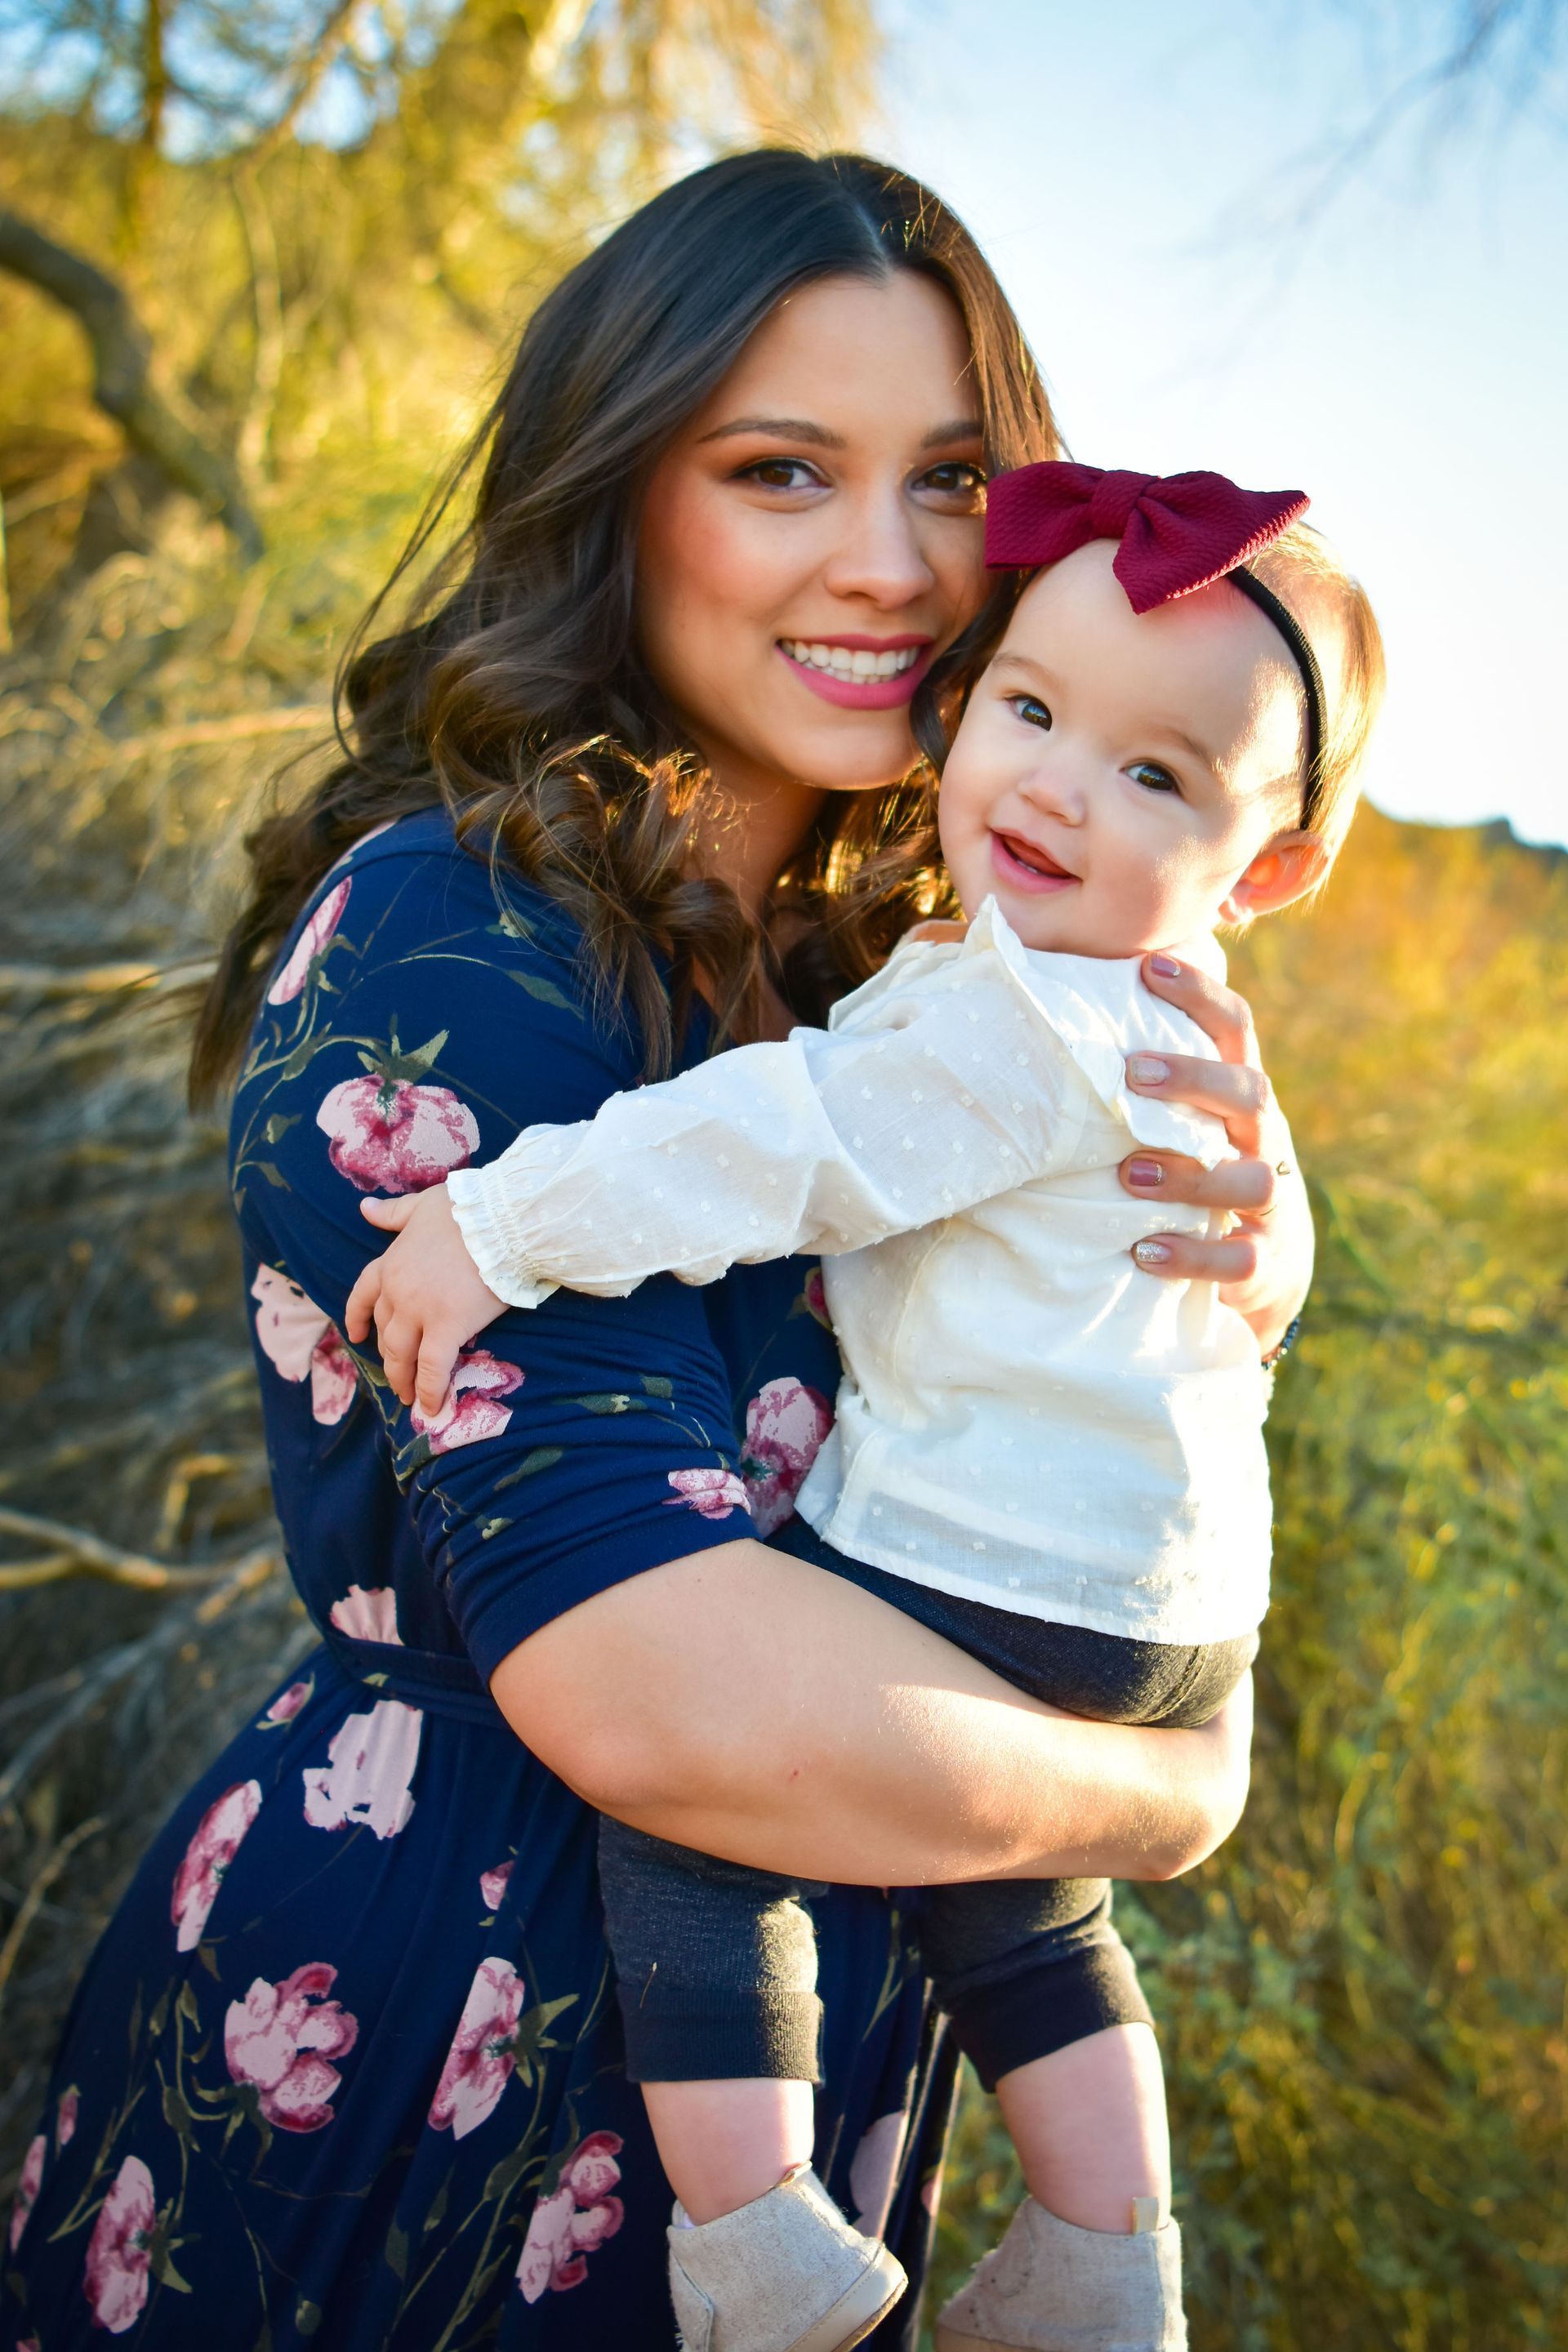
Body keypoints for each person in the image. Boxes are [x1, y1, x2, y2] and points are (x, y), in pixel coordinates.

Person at [1, 156, 1303, 2352]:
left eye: (955, 480)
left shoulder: (918, 988)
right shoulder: (464, 936)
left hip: (808, 2041)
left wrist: (1229, 1276)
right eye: (782, 470)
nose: (889, 568)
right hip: (442, 2014)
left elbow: (1088, 1461)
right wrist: (1176, 1786)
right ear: (623, 488)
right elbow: (661, 1694)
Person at [345, 463, 1383, 2352]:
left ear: (1276, 860)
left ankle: (753, 2237)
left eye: (1156, 775)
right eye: (1034, 710)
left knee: (700, 1832)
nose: (1061, 785)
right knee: (1023, 1909)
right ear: (970, 697)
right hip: (1156, 1609)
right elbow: (1233, 1265)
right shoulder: (1183, 1016)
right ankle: (1100, 2259)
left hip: (986, 1556)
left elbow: (782, 1141)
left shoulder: (1020, 1015)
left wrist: (497, 1222)